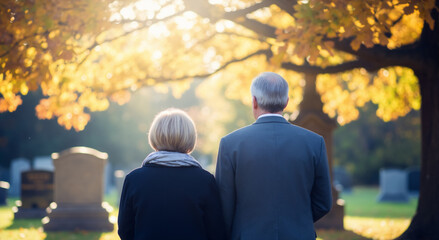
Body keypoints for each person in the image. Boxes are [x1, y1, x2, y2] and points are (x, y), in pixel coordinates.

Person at [215, 72, 332, 240]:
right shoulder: (314, 142)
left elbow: (224, 204)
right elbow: (323, 202)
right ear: (286, 102)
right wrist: (297, 221)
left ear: (254, 101)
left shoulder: (230, 144)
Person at [118, 108, 226, 240]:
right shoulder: (205, 180)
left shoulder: (134, 180)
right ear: (190, 137)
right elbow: (216, 232)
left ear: (154, 135)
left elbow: (125, 230)